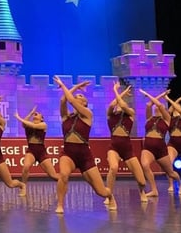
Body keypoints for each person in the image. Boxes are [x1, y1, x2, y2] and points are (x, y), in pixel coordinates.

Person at [53, 76, 115, 213]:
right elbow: (64, 100)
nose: (77, 96)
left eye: (80, 96)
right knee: (63, 175)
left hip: (84, 155)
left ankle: (110, 195)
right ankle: (60, 205)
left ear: (85, 103)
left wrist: (63, 85)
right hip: (68, 153)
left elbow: (70, 100)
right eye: (76, 95)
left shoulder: (88, 115)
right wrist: (76, 87)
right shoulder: (66, 117)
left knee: (101, 191)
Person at [104, 82, 148, 203]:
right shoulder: (110, 115)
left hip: (127, 148)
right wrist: (116, 90)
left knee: (141, 181)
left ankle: (142, 191)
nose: (117, 105)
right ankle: (109, 195)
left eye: (119, 104)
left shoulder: (130, 113)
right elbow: (113, 104)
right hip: (114, 147)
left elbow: (123, 105)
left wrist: (118, 93)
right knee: (113, 168)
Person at [139, 89, 181, 197]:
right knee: (144, 165)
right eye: (155, 107)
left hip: (160, 149)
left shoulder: (167, 119)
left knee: (170, 173)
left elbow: (158, 104)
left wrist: (149, 94)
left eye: (159, 107)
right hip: (148, 147)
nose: (156, 107)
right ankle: (154, 190)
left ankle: (179, 183)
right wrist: (159, 95)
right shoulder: (149, 118)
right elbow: (149, 104)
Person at [17, 105, 60, 191]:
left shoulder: (43, 125)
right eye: (35, 114)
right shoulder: (28, 125)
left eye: (38, 114)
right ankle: (23, 187)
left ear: (42, 118)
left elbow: (34, 126)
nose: (36, 114)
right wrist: (30, 113)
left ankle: (63, 182)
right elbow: (24, 124)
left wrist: (18, 117)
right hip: (31, 150)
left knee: (53, 175)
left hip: (41, 151)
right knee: (26, 167)